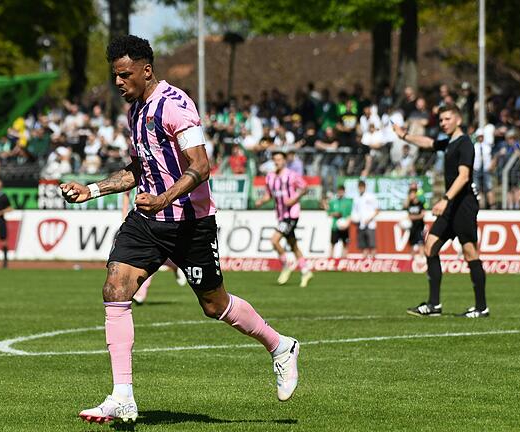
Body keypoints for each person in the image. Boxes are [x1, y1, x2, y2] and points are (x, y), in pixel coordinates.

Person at [61, 35, 300, 425]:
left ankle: (281, 346)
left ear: (146, 69)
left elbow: (201, 165)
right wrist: (91, 189)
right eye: (115, 76)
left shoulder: (176, 106)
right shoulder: (134, 111)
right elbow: (139, 168)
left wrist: (164, 197)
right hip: (149, 220)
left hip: (191, 223)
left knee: (214, 305)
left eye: (125, 75)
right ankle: (123, 395)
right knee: (115, 286)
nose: (119, 83)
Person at [394, 104, 488, 318]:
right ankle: (434, 305)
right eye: (442, 120)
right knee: (430, 246)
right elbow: (428, 142)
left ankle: (482, 307)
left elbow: (464, 177)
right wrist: (405, 136)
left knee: (470, 251)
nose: (443, 123)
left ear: (458, 120)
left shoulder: (465, 143)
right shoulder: (448, 143)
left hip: (462, 204)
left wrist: (445, 199)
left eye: (447, 119)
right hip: (450, 205)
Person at [255, 150, 313, 287]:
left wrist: (294, 200)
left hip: (291, 214)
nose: (277, 162)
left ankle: (286, 265)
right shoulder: (270, 177)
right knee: (293, 245)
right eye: (275, 159)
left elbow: (304, 188)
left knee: (274, 240)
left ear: (284, 161)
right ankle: (306, 271)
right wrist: (261, 202)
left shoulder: (291, 175)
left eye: (279, 159)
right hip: (281, 215)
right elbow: (268, 195)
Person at [351, 180, 379, 258]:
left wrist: (369, 219)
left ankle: (373, 261)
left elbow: (377, 210)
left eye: (362, 187)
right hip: (361, 225)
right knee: (363, 245)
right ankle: (364, 262)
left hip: (370, 224)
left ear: (365, 187)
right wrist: (354, 219)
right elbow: (354, 212)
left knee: (372, 245)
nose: (361, 188)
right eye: (359, 187)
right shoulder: (356, 198)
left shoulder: (371, 197)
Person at [326, 185, 352, 258]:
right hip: (335, 226)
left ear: (344, 192)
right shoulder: (333, 202)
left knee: (345, 244)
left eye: (342, 191)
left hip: (345, 226)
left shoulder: (348, 202)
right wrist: (334, 214)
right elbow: (328, 213)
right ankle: (331, 259)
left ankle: (344, 259)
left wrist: (347, 223)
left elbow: (350, 214)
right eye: (339, 191)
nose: (340, 193)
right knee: (333, 243)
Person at [404, 185, 426, 261]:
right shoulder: (410, 204)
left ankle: (422, 258)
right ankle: (412, 259)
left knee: (421, 242)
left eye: (412, 194)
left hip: (419, 226)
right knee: (412, 243)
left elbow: (422, 215)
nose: (411, 196)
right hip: (412, 227)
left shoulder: (420, 204)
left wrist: (414, 217)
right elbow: (406, 209)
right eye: (410, 194)